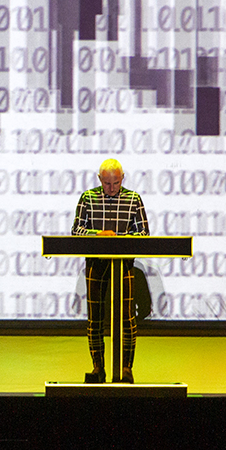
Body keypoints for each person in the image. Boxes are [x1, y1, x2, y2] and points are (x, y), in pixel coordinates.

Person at [72, 159, 149, 383]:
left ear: (122, 178)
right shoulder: (88, 198)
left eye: (115, 183)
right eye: (107, 183)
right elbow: (76, 230)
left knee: (127, 318)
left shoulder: (133, 199)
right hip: (96, 265)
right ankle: (98, 367)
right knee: (94, 318)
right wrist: (98, 235)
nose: (112, 188)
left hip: (123, 265)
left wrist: (120, 239)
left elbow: (143, 233)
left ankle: (126, 368)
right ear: (99, 180)